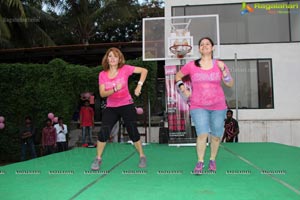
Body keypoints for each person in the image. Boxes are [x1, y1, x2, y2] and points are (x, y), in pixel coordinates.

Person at [175, 37, 234, 174]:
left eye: (208, 44)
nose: (205, 46)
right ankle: (200, 162)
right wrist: (183, 88)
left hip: (218, 106)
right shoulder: (191, 65)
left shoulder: (219, 64)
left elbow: (230, 83)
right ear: (199, 49)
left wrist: (224, 70)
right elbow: (178, 76)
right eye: (202, 44)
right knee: (202, 134)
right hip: (198, 105)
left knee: (216, 136)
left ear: (213, 48)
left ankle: (212, 159)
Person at [91, 47, 148, 170]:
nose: (112, 58)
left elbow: (144, 70)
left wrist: (139, 86)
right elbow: (102, 94)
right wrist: (115, 88)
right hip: (111, 107)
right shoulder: (102, 74)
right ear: (107, 58)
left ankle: (142, 156)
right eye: (110, 56)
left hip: (126, 104)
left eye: (115, 56)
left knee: (133, 131)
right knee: (104, 132)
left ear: (119, 59)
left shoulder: (125, 69)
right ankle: (98, 158)